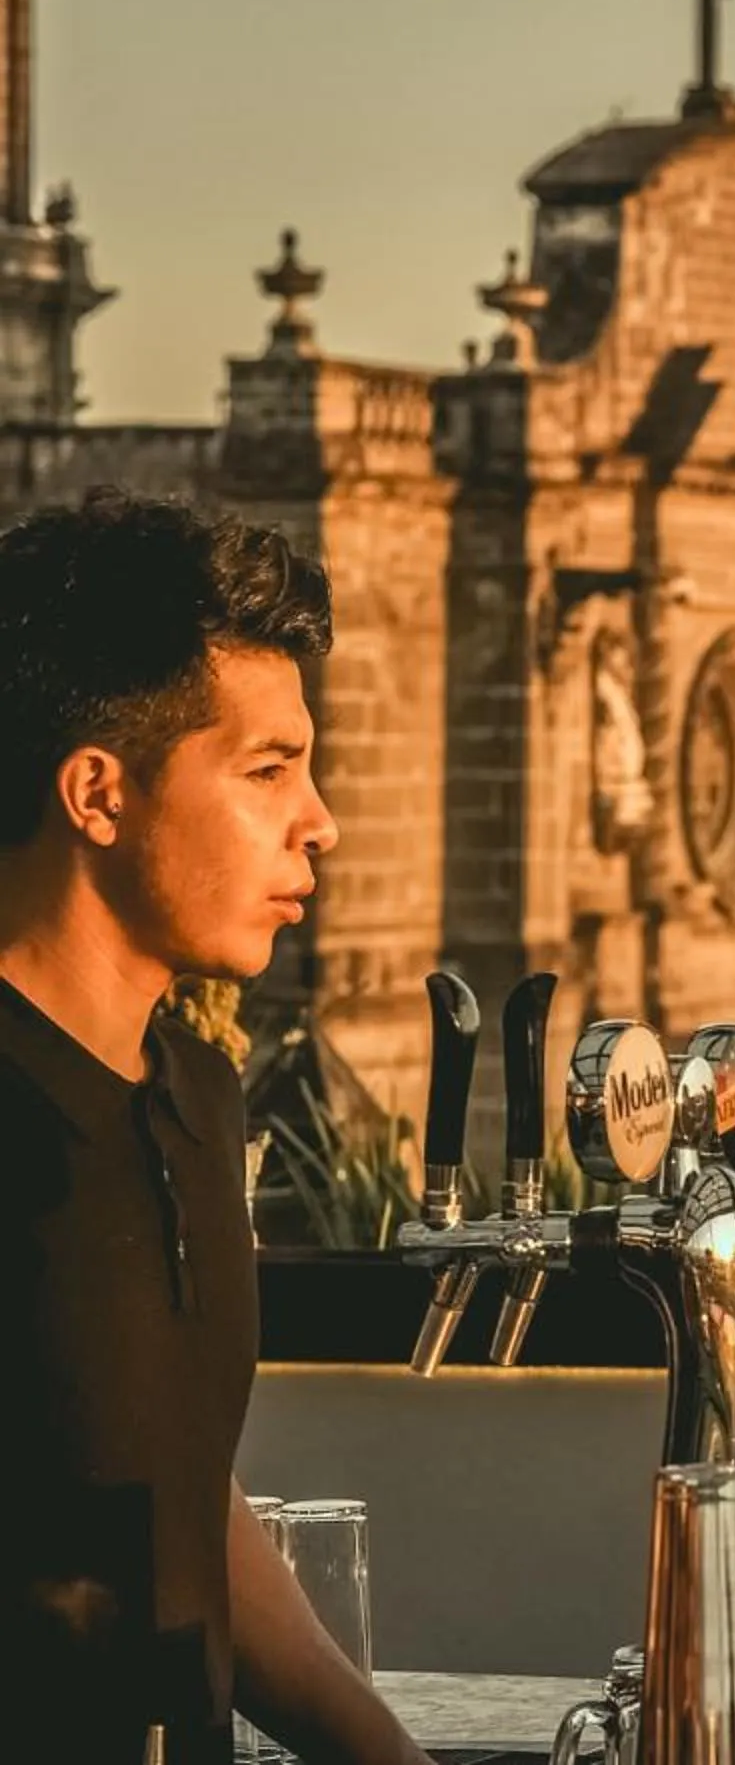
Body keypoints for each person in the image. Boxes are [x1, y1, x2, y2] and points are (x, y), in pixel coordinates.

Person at [0, 493, 425, 1764]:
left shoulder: (195, 1090)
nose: (321, 819)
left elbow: (178, 1500)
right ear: (97, 793)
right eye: (267, 770)